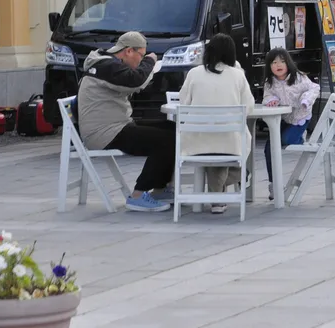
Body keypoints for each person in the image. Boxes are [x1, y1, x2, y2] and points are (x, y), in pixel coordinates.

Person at [77, 31, 171, 212]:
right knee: (164, 140)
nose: (141, 60)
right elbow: (136, 80)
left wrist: (145, 64)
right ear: (128, 51)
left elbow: (136, 81)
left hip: (116, 125)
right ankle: (137, 195)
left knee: (172, 130)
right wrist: (150, 61)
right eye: (141, 55)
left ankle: (160, 189)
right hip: (105, 132)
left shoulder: (108, 63)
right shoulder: (106, 66)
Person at [178, 34, 255, 214]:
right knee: (232, 150)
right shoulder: (237, 75)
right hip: (230, 142)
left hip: (194, 142)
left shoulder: (194, 73)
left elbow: (183, 104)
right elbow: (248, 107)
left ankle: (217, 195)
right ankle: (224, 190)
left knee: (212, 147)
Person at [262, 49, 319, 200]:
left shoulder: (299, 78)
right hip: (284, 118)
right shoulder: (270, 82)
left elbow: (314, 88)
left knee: (286, 140)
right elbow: (266, 96)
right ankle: (274, 184)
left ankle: (300, 137)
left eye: (282, 61)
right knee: (270, 146)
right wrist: (271, 100)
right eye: (274, 63)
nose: (278, 65)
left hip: (301, 117)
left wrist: (306, 101)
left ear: (288, 63)